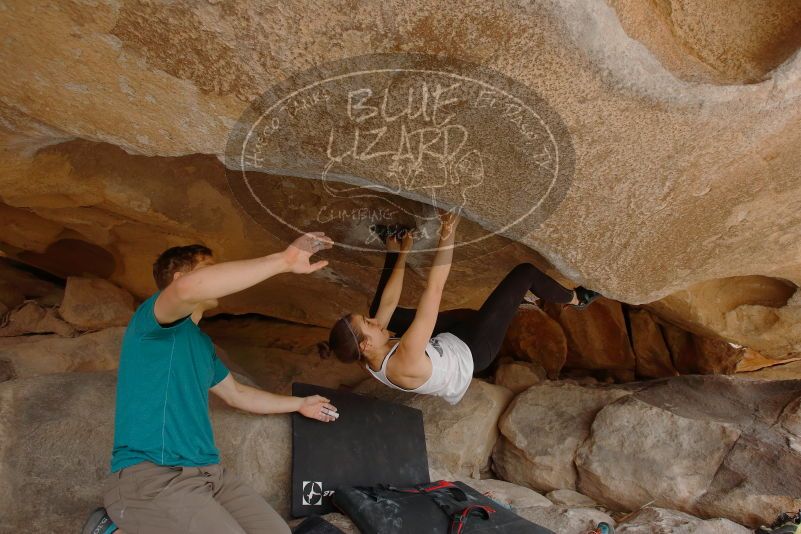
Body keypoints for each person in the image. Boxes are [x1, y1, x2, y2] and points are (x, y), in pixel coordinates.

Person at [83, 234, 338, 534]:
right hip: (154, 476)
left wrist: (300, 404)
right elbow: (187, 289)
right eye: (209, 268)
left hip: (210, 476)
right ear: (179, 278)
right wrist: (283, 260)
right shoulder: (151, 324)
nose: (220, 274)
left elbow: (236, 394)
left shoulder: (202, 345)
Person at [320, 212, 600, 405]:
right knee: (524, 273)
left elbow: (389, 303)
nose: (373, 321)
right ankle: (577, 300)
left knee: (381, 306)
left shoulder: (364, 351)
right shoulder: (403, 360)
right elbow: (435, 289)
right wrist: (447, 233)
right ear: (367, 344)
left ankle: (392, 246)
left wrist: (403, 252)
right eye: (368, 324)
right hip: (474, 349)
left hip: (446, 337)